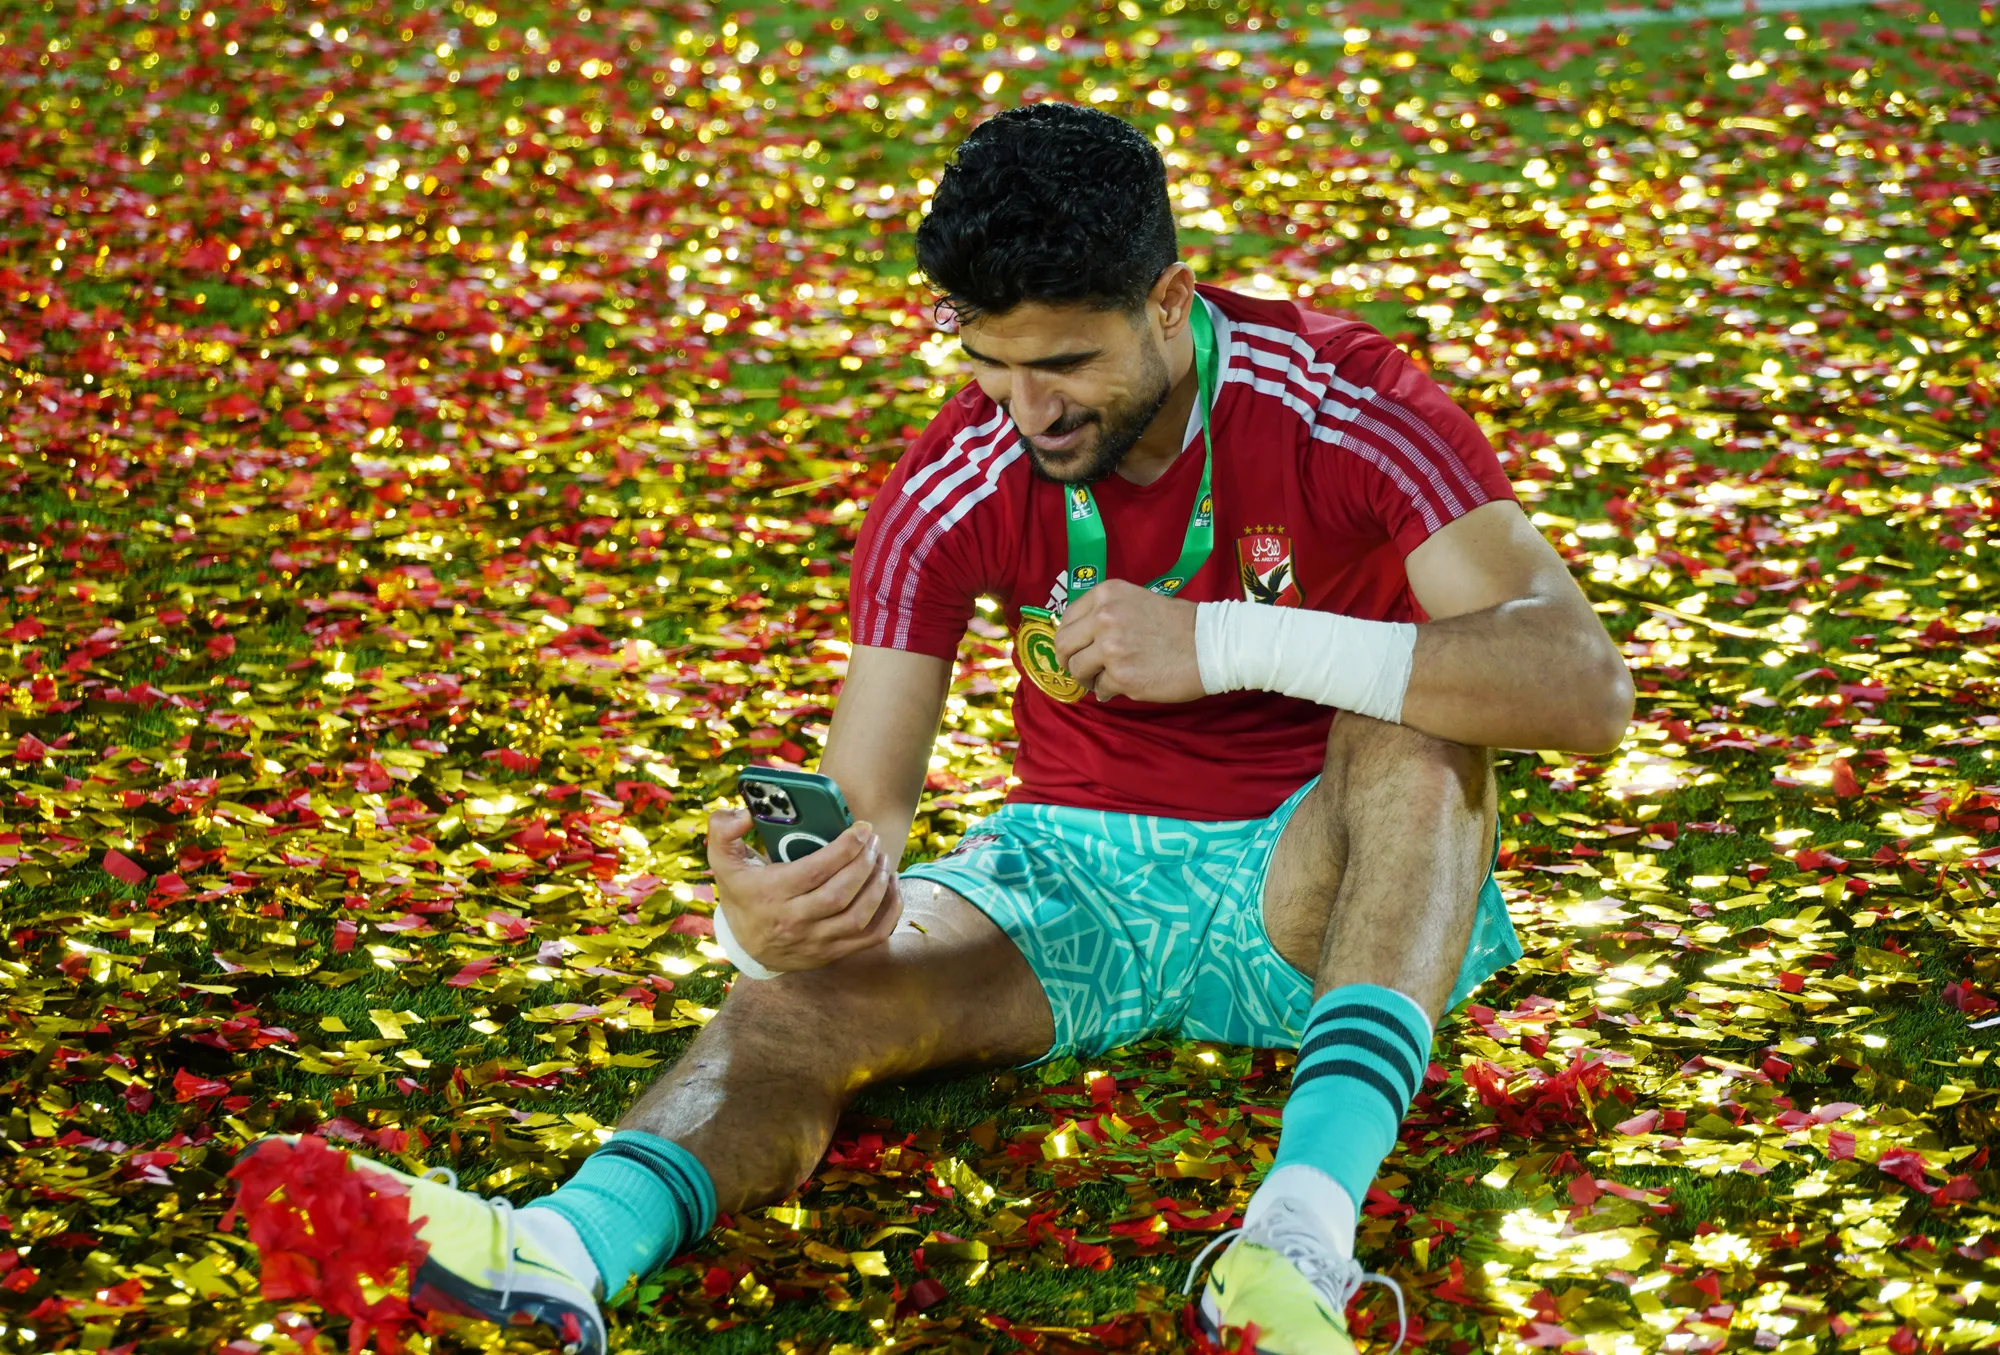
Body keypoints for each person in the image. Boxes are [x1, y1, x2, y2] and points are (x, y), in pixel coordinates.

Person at [229, 102, 1633, 1355]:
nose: (1029, 411)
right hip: (1072, 877)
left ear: (1170, 297)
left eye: (1067, 364)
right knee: (792, 998)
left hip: (1318, 878)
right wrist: (778, 912)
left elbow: (1581, 685)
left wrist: (1228, 642)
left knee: (1416, 726)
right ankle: (563, 1247)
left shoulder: (1338, 398)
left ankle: (1294, 1245)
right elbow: (870, 800)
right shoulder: (956, 472)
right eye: (990, 364)